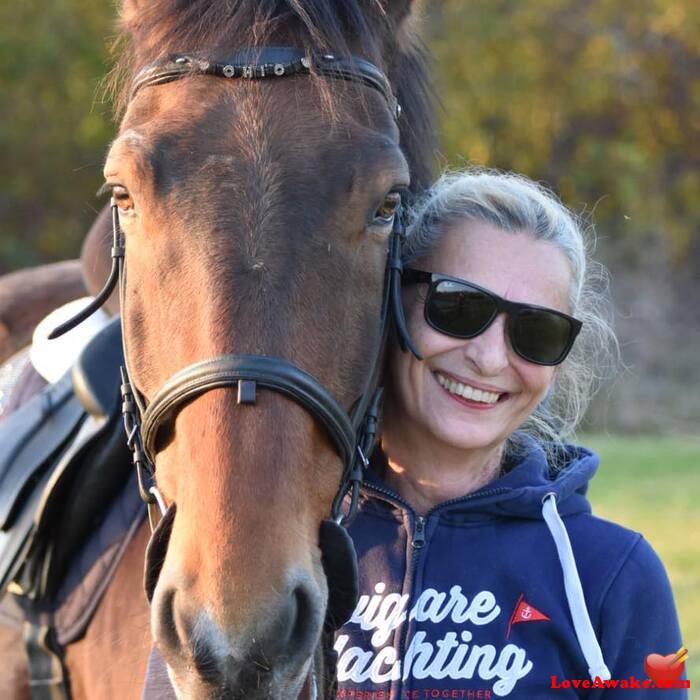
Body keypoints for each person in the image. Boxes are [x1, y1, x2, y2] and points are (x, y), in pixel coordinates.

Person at [334, 169, 687, 698]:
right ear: (391, 303)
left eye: (535, 331)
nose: (489, 357)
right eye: (458, 307)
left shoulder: (614, 575)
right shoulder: (294, 540)